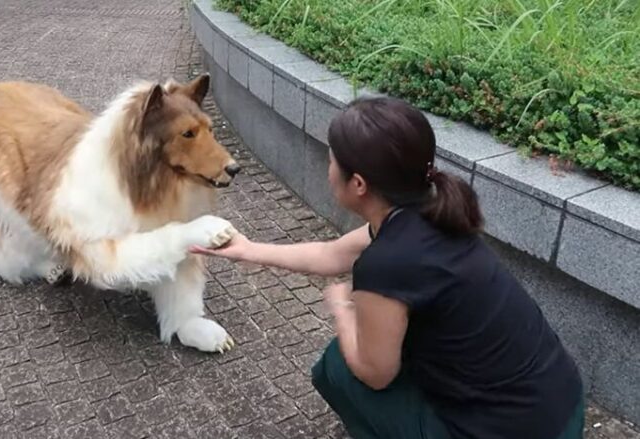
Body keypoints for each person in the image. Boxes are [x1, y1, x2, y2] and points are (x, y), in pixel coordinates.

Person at [191, 96, 584, 439]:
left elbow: (375, 372)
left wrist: (344, 310)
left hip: (518, 431)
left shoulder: (389, 263)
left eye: (330, 161)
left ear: (358, 183)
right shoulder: (429, 209)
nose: (327, 170)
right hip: (560, 403)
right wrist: (246, 249)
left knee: (338, 367)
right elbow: (332, 255)